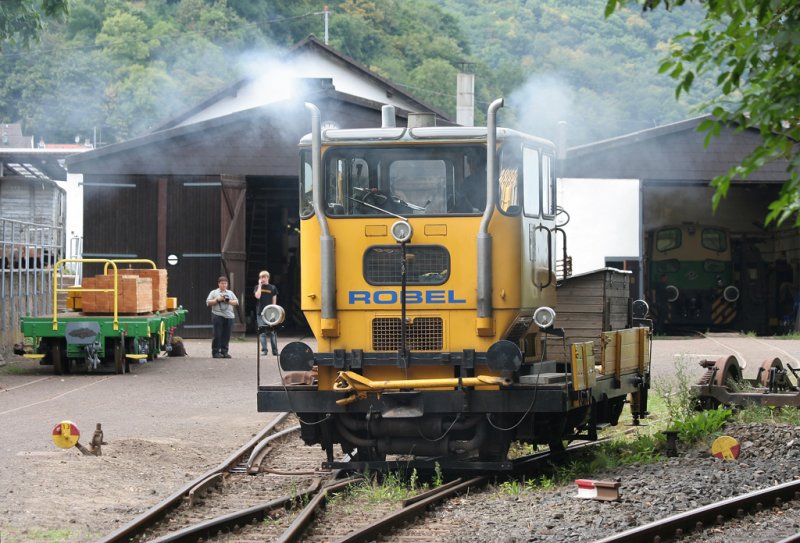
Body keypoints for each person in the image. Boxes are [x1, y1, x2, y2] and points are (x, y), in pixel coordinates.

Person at [206, 276, 239, 359]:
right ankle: (215, 352)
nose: (224, 285)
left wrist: (228, 301)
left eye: (225, 283)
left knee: (226, 335)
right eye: (222, 283)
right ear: (218, 284)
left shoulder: (230, 293)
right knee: (217, 334)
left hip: (229, 316)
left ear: (227, 284)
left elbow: (236, 302)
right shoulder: (213, 292)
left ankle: (224, 352)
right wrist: (217, 300)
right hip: (217, 315)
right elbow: (208, 302)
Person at [254, 270, 279, 356]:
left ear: (268, 277)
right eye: (261, 277)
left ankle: (275, 351)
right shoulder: (257, 287)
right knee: (262, 332)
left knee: (272, 332)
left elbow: (274, 302)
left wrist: (274, 313)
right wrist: (260, 286)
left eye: (264, 277)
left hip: (270, 313)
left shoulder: (272, 288)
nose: (262, 279)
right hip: (260, 312)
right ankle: (264, 350)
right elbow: (257, 296)